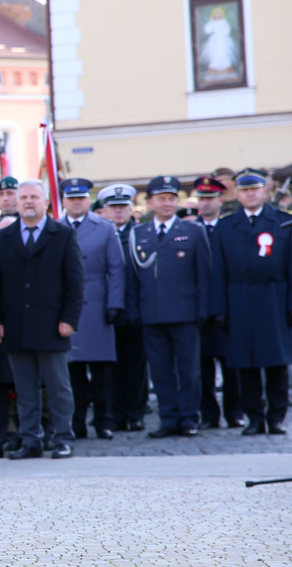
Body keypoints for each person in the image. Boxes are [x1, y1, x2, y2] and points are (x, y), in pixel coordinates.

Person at [0, 180, 85, 459]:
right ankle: (31, 440)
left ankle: (63, 438)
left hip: (53, 325)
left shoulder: (63, 235)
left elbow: (75, 283)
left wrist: (69, 319)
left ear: (46, 202)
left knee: (58, 388)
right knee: (24, 389)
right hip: (14, 325)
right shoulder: (2, 238)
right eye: (24, 198)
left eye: (34, 197)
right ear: (17, 203)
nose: (28, 201)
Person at [127, 175, 215, 438]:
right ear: (150, 202)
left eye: (171, 199)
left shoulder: (193, 231)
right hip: (151, 314)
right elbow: (132, 278)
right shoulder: (138, 233)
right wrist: (133, 310)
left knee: (188, 370)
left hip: (185, 313)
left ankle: (189, 418)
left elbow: (204, 275)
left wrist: (204, 310)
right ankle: (168, 418)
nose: (167, 203)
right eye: (161, 199)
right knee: (161, 371)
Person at [213, 171, 292, 435]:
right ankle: (254, 418)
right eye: (245, 191)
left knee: (277, 363)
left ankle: (276, 417)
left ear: (265, 192)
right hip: (239, 299)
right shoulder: (225, 226)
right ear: (237, 194)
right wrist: (219, 308)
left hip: (274, 297)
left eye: (255, 190)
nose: (250, 194)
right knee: (245, 363)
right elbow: (218, 271)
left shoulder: (284, 222)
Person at [60, 178, 124, 441]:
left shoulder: (105, 228)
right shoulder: (56, 228)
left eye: (81, 198)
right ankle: (76, 423)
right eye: (72, 198)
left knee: (102, 372)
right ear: (64, 201)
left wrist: (115, 304)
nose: (77, 203)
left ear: (89, 200)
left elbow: (116, 269)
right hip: (67, 306)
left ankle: (104, 421)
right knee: (72, 372)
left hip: (97, 303)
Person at [193, 176, 242, 428]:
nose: (206, 203)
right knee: (202, 366)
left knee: (232, 364)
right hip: (199, 307)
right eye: (202, 198)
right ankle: (209, 415)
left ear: (220, 200)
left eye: (210, 198)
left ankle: (235, 412)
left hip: (227, 306)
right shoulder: (189, 229)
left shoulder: (230, 227)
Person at [100, 184, 150, 431]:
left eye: (123, 206)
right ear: (105, 210)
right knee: (111, 368)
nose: (119, 211)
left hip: (135, 312)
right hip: (105, 312)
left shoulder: (141, 234)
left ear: (131, 209)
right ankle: (116, 413)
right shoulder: (100, 234)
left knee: (136, 366)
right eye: (114, 207)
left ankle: (136, 412)